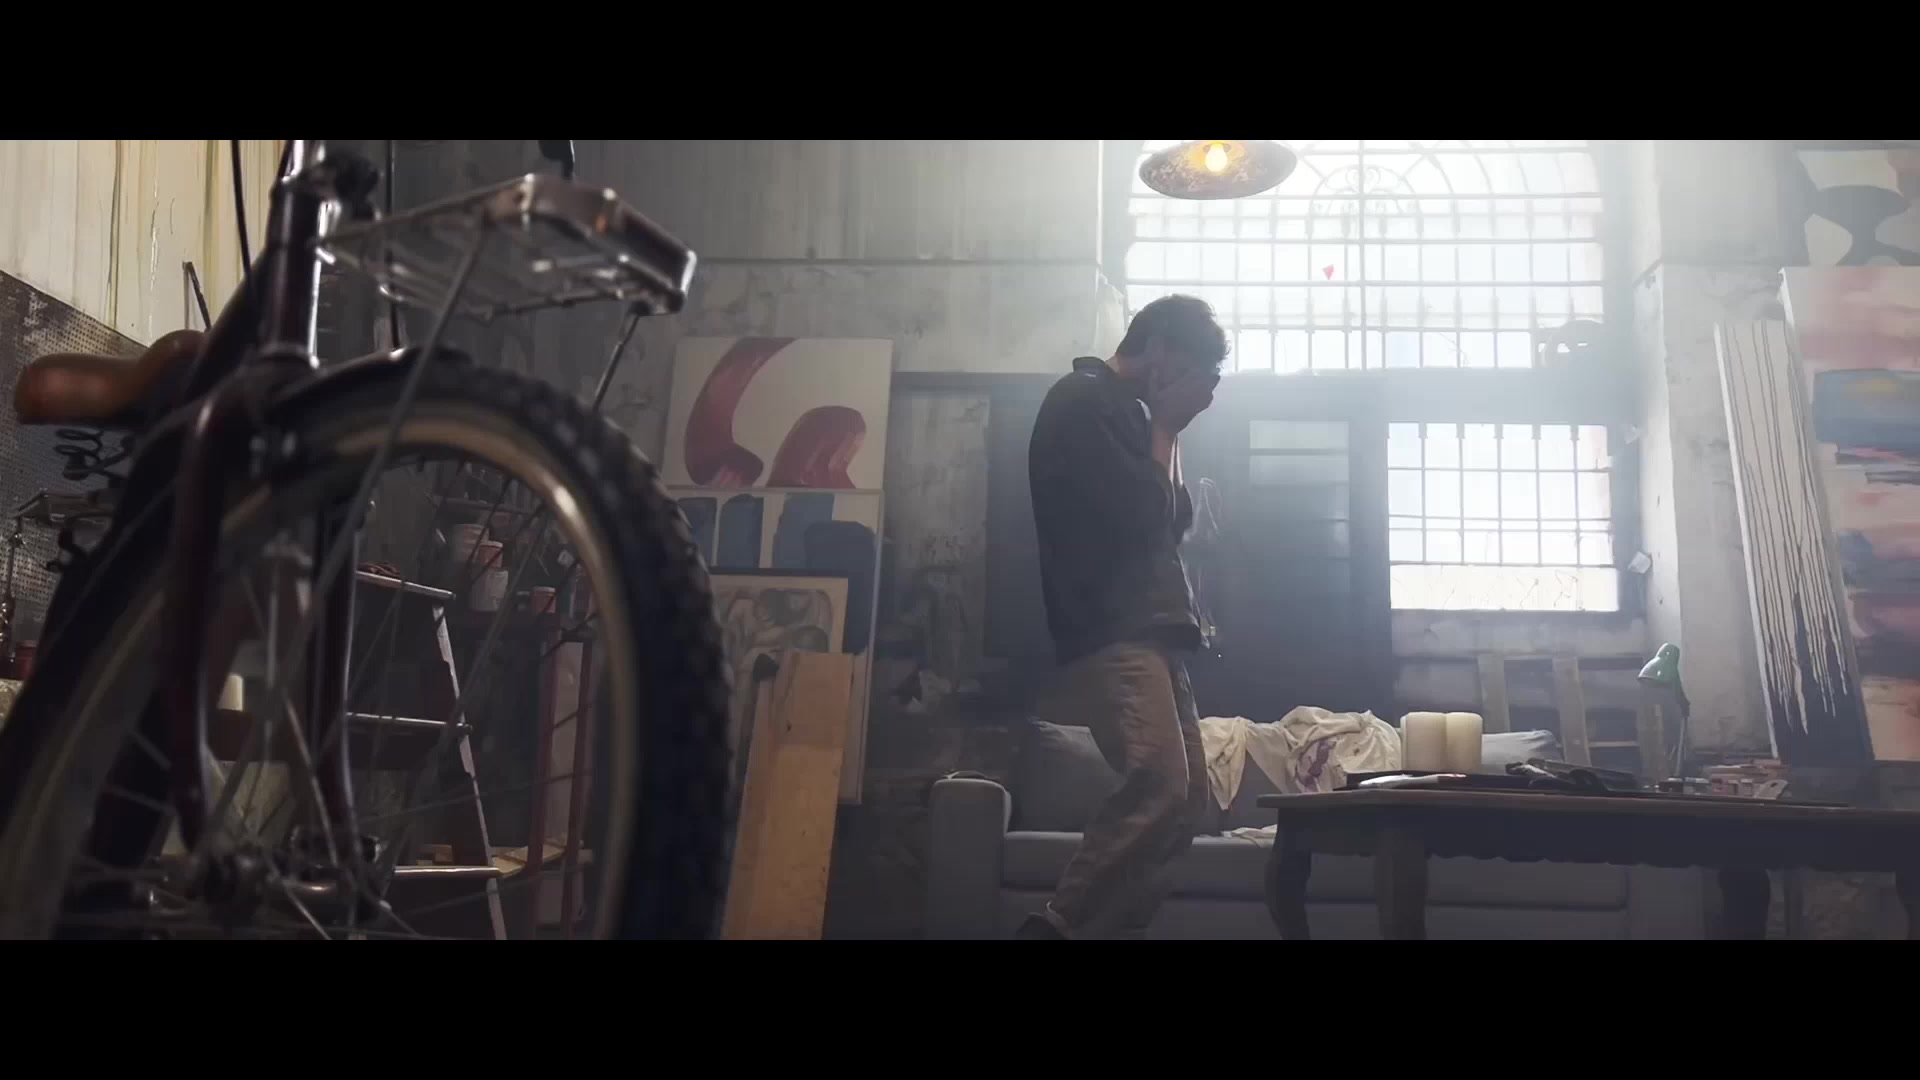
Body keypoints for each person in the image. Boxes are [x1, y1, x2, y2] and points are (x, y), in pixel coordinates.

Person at [1018, 294, 1226, 940]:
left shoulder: (1128, 414)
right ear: (1158, 349)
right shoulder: (1082, 403)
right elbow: (1141, 515)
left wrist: (1169, 430)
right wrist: (1164, 425)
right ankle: (1053, 927)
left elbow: (1172, 516)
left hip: (1152, 628)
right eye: (1190, 369)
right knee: (1160, 784)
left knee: (1189, 801)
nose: (1193, 387)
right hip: (1112, 628)